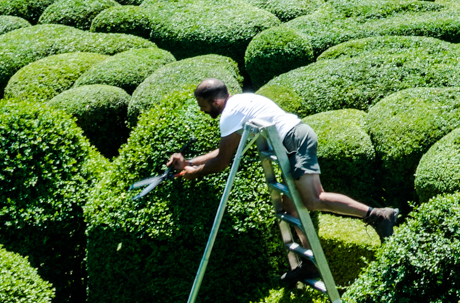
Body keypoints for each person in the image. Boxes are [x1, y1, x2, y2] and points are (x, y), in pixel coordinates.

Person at [166, 79, 402, 287]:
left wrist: (192, 173)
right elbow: (223, 151)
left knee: (313, 198)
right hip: (293, 140)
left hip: (294, 141)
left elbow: (221, 161)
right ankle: (310, 264)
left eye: (202, 105)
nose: (201, 110)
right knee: (291, 208)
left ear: (214, 101)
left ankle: (378, 215)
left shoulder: (228, 115)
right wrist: (189, 162)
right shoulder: (242, 101)